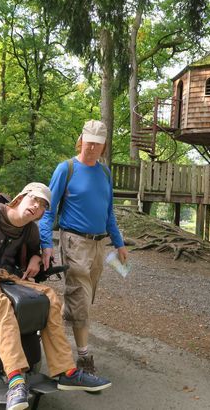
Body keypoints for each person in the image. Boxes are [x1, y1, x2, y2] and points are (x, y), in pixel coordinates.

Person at [0, 182, 111, 410]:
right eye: (34, 200)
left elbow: (35, 250)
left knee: (50, 297)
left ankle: (66, 371)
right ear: (20, 198)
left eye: (42, 206)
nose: (36, 207)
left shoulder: (30, 228)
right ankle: (16, 380)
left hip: (9, 277)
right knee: (2, 304)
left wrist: (36, 258)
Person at [39, 119, 128, 374]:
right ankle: (83, 356)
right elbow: (48, 210)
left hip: (100, 245)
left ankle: (48, 320)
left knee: (84, 298)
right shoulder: (65, 169)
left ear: (104, 146)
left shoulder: (105, 173)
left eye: (97, 145)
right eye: (88, 143)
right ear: (81, 140)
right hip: (74, 241)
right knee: (80, 297)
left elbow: (109, 212)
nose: (92, 149)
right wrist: (46, 243)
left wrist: (119, 244)